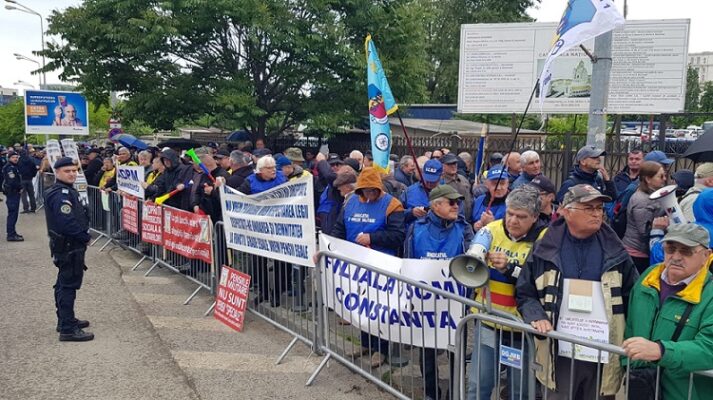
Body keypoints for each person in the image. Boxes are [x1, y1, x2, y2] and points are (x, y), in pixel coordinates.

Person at [516, 184, 638, 400]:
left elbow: (633, 297)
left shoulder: (616, 250)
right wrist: (537, 317)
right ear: (566, 211)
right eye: (588, 208)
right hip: (558, 351)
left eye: (599, 208)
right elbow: (526, 292)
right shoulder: (545, 247)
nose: (596, 213)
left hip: (603, 352)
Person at [466, 186, 547, 400]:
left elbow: (541, 279)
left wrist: (511, 269)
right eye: (510, 213)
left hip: (522, 328)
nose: (513, 221)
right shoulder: (491, 230)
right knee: (478, 385)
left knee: (519, 390)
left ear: (535, 217)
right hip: (488, 321)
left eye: (521, 217)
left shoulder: (544, 238)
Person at [623, 223, 713, 400]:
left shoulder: (709, 293)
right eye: (670, 249)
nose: (676, 257)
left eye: (686, 251)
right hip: (642, 389)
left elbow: (709, 348)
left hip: (686, 393)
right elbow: (631, 326)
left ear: (706, 256)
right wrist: (627, 365)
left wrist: (661, 351)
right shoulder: (648, 277)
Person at [404, 185, 474, 400]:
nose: (456, 206)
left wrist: (468, 299)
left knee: (456, 350)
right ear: (435, 206)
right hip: (426, 303)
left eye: (458, 202)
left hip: (456, 303)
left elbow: (472, 263)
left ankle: (454, 392)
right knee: (427, 352)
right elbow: (408, 262)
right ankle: (431, 392)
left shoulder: (464, 228)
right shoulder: (417, 228)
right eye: (451, 202)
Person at [332, 167, 405, 367]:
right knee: (361, 305)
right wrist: (330, 248)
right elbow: (339, 229)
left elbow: (398, 235)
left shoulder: (392, 205)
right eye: (365, 190)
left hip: (381, 265)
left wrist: (372, 237)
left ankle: (381, 350)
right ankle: (366, 343)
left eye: (373, 190)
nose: (369, 194)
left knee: (379, 309)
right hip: (356, 265)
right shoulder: (350, 202)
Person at [44, 157, 94, 341]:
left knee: (63, 283)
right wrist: (85, 237)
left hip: (66, 245)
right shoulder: (61, 194)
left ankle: (65, 319)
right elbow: (67, 222)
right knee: (68, 286)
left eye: (74, 170)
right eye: (68, 171)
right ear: (57, 172)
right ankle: (67, 328)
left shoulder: (65, 190)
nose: (72, 174)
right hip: (69, 245)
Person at [622, 161, 667, 273]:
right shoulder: (642, 200)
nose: (664, 179)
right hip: (637, 252)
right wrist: (662, 225)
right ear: (648, 179)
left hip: (641, 250)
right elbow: (644, 230)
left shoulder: (650, 196)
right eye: (660, 176)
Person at [191, 147, 229, 223]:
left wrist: (212, 191)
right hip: (204, 216)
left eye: (201, 167)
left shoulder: (223, 175)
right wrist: (195, 204)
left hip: (216, 216)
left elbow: (223, 197)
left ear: (205, 165)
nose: (200, 170)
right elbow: (197, 191)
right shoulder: (204, 175)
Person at [401, 159, 442, 226]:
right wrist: (411, 212)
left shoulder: (450, 194)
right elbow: (397, 215)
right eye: (427, 179)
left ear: (441, 176)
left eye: (433, 180)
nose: (429, 183)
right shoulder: (409, 191)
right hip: (414, 234)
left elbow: (459, 219)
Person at [471, 165, 509, 231]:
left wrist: (492, 224)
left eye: (502, 183)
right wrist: (474, 226)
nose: (499, 188)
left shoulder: (513, 204)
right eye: (494, 184)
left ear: (507, 184)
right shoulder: (479, 200)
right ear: (486, 184)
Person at [441, 153, 473, 220]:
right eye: (450, 164)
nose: (453, 166)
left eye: (455, 163)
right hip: (451, 221)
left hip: (468, 220)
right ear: (443, 166)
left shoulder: (463, 179)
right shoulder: (441, 182)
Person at [2, 151, 23, 241]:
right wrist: (19, 188)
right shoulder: (9, 168)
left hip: (13, 193)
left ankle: (12, 232)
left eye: (17, 157)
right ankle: (11, 235)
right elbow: (12, 181)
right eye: (13, 157)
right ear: (9, 158)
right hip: (12, 193)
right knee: (12, 214)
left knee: (13, 214)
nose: (15, 159)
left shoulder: (13, 167)